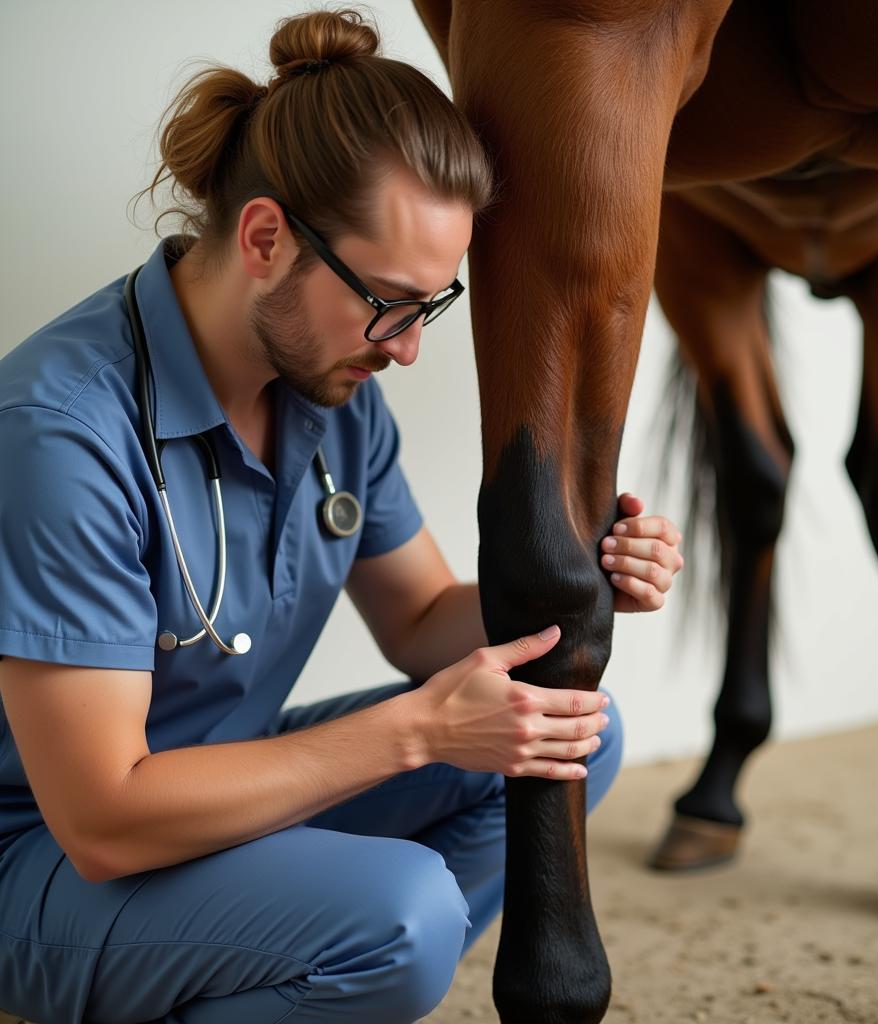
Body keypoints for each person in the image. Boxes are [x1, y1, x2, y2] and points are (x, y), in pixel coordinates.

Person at [0, 10, 684, 1023]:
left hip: (213, 808)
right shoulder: (61, 432)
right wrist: (415, 732)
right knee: (398, 920)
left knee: (567, 728)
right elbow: (101, 817)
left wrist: (583, 579)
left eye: (430, 307)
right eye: (388, 303)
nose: (406, 350)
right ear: (267, 238)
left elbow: (417, 620)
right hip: (46, 857)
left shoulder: (332, 393)